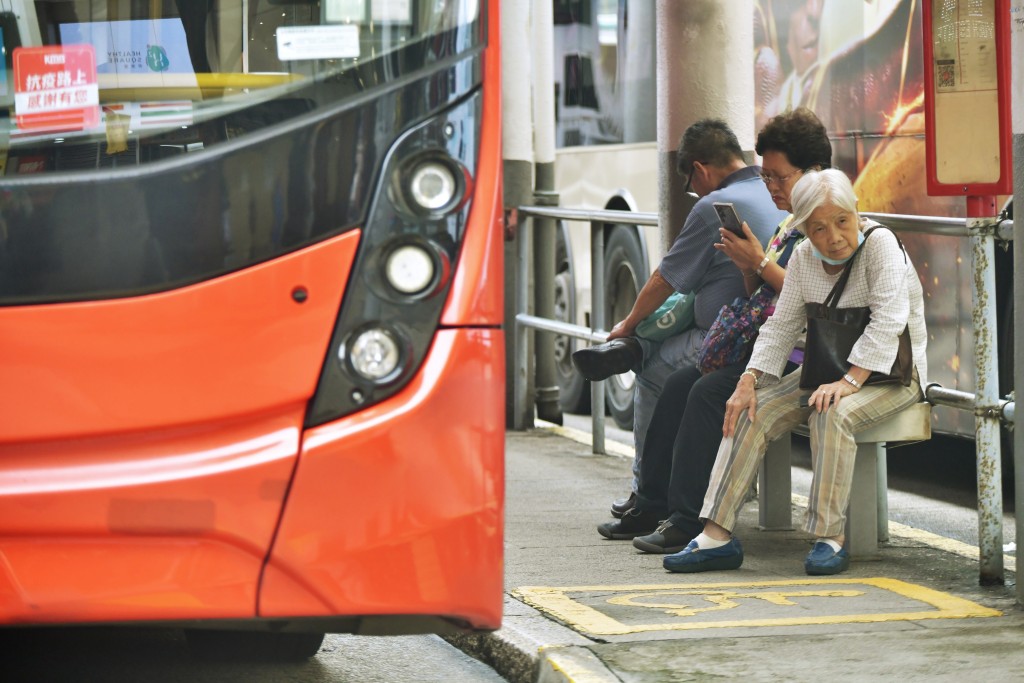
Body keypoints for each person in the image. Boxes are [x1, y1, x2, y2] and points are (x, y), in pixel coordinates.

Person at [664, 168, 927, 576]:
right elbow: (781, 327)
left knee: (831, 412)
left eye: (842, 221)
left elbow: (889, 322)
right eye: (819, 227)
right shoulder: (805, 258)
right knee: (752, 408)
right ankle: (716, 536)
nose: (834, 236)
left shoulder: (882, 247)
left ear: (857, 213)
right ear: (804, 229)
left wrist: (849, 382)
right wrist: (749, 381)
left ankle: (829, 539)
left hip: (892, 375)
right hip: (830, 372)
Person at [596, 107, 831, 546]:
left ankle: (687, 520)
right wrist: (749, 265)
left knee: (703, 393)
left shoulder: (829, 219)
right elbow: (769, 295)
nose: (771, 188)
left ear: (813, 172)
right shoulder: (789, 220)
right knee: (681, 384)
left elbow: (814, 295)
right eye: (767, 178)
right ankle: (653, 503)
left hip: (807, 354)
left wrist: (759, 262)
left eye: (779, 178)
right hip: (777, 343)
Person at [572, 119, 788, 519]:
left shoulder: (712, 207)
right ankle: (632, 346)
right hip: (752, 327)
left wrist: (628, 323)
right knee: (671, 334)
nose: (695, 190)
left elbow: (665, 279)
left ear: (700, 168)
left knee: (652, 369)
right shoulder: (772, 191)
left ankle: (645, 489)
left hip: (731, 335)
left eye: (692, 182)